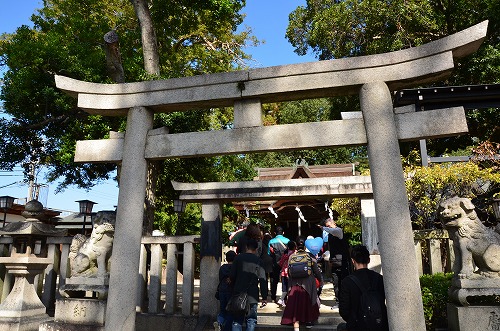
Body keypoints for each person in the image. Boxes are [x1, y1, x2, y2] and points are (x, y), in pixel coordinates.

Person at [337, 245, 388, 331]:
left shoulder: (347, 282)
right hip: (379, 325)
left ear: (353, 261)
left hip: (356, 325)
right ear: (368, 260)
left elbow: (344, 311)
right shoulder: (379, 278)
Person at [281, 236, 323, 331]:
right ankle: (309, 322)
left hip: (295, 284)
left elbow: (289, 271)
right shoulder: (310, 256)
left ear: (296, 245)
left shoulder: (292, 256)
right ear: (305, 245)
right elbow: (316, 270)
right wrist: (320, 280)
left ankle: (296, 326)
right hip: (308, 284)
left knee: (295, 306)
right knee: (309, 302)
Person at [230, 238, 268, 331]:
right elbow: (263, 280)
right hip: (253, 295)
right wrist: (264, 297)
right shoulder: (258, 261)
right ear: (256, 249)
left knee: (236, 321)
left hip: (238, 293)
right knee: (251, 320)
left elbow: (232, 275)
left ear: (246, 247)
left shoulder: (238, 258)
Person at [318, 217, 350, 305]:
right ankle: (338, 301)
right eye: (327, 226)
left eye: (329, 226)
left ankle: (346, 302)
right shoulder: (330, 235)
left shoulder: (339, 231)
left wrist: (323, 228)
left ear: (334, 224)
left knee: (344, 283)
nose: (328, 228)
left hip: (342, 262)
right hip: (334, 262)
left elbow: (334, 231)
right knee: (336, 284)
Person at [215, 250, 237, 331]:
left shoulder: (222, 268)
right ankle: (226, 328)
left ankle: (219, 322)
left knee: (222, 310)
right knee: (230, 311)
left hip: (222, 290)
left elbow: (220, 278)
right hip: (231, 291)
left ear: (226, 258)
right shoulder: (235, 268)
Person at [268, 226, 290, 303]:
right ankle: (285, 297)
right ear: (283, 233)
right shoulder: (287, 240)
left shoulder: (271, 241)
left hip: (275, 263)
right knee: (286, 280)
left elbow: (269, 253)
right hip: (285, 263)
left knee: (274, 280)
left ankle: (273, 297)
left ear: (275, 233)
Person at [277, 240, 297, 308]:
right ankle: (290, 301)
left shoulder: (285, 254)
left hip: (284, 273)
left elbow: (280, 263)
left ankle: (283, 301)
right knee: (291, 288)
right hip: (292, 273)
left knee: (284, 288)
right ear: (295, 247)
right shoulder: (295, 254)